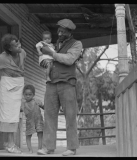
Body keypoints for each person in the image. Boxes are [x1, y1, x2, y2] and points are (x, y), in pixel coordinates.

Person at [37, 19, 83, 156]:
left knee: (70, 116)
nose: (59, 32)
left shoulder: (76, 44)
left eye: (63, 31)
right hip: (51, 83)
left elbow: (69, 59)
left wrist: (51, 54)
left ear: (70, 32)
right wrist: (44, 62)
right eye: (58, 30)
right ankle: (48, 147)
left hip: (67, 83)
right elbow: (48, 57)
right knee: (49, 115)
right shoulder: (53, 44)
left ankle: (71, 148)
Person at [0, 33, 26, 154]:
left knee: (16, 115)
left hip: (18, 85)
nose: (19, 45)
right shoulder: (2, 58)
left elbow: (21, 69)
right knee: (9, 116)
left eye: (18, 42)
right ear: (9, 48)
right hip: (7, 86)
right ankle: (10, 144)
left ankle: (9, 143)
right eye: (16, 45)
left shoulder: (23, 53)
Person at [20, 84, 44, 154]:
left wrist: (43, 105)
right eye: (26, 94)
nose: (28, 96)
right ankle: (30, 149)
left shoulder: (37, 101)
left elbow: (44, 107)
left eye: (30, 94)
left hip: (39, 120)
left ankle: (40, 148)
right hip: (29, 122)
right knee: (28, 135)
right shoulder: (23, 104)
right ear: (23, 95)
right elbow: (18, 110)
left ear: (33, 95)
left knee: (40, 134)